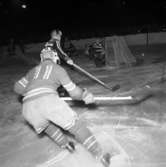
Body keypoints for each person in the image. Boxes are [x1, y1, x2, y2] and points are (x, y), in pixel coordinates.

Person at [14, 30, 111, 167]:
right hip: (48, 102)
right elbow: (75, 93)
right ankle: (100, 156)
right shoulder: (58, 69)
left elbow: (17, 88)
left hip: (28, 109)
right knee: (77, 127)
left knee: (47, 126)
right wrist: (84, 95)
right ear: (55, 58)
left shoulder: (32, 71)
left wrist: (32, 92)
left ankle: (66, 145)